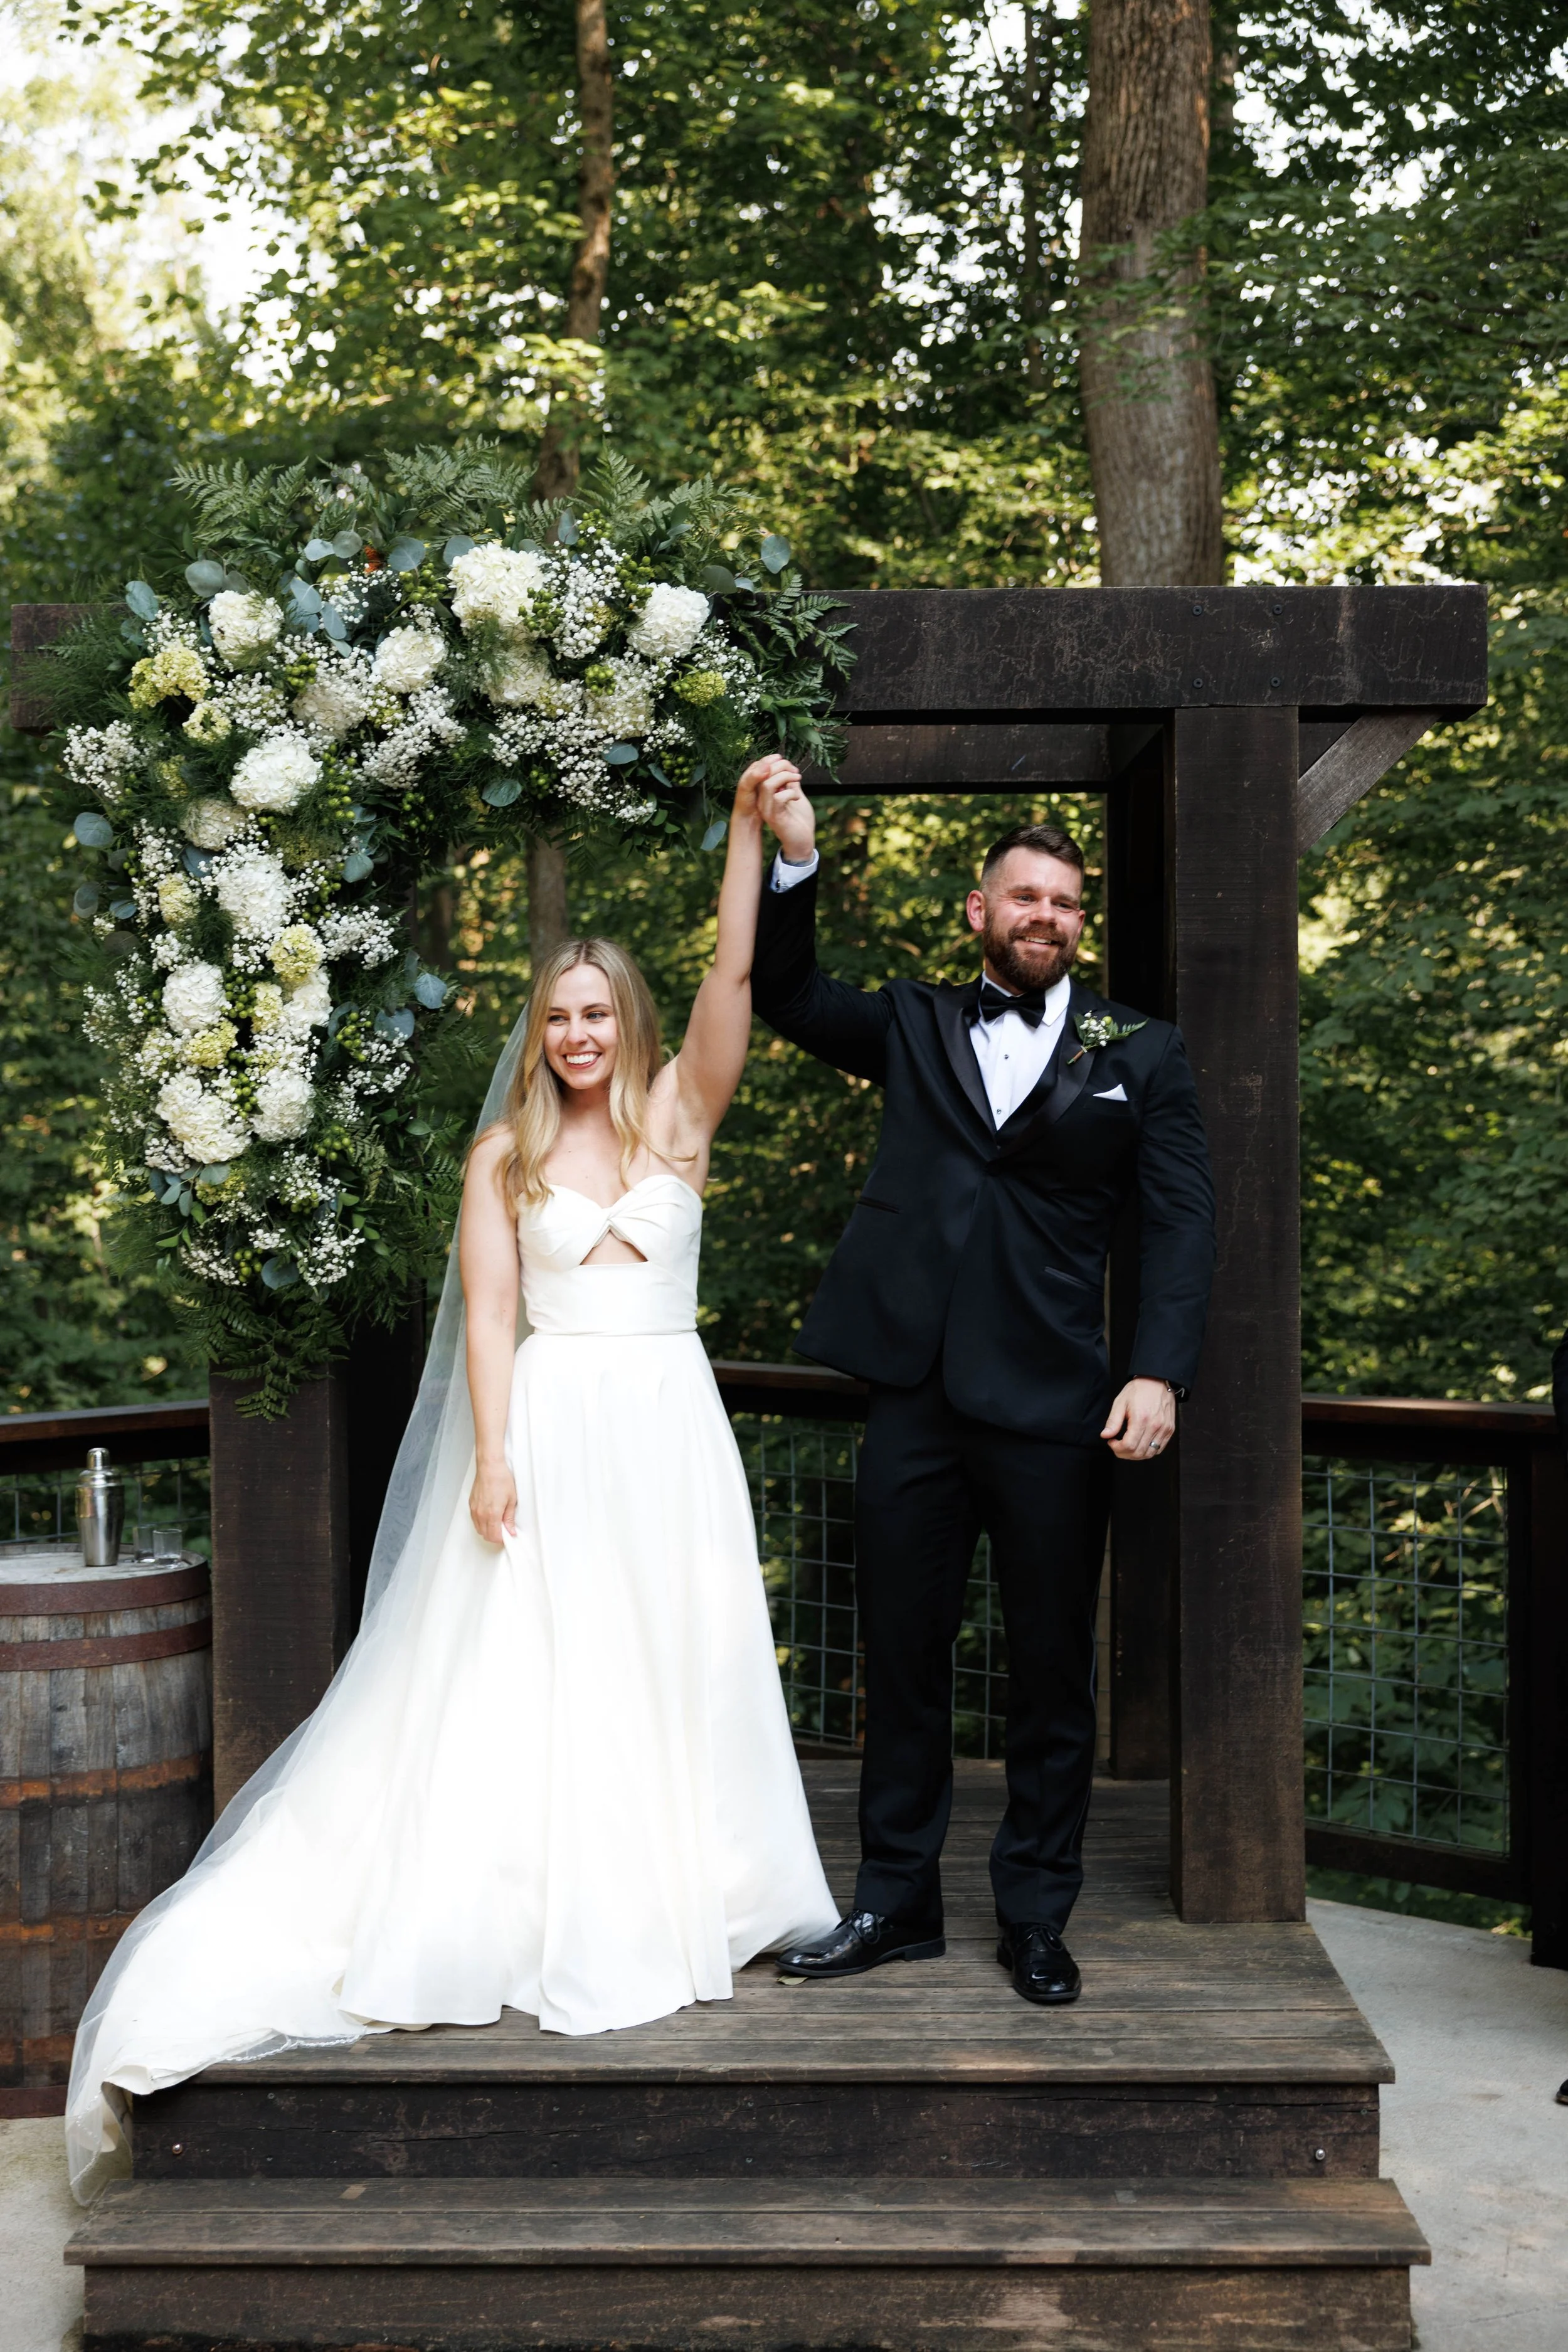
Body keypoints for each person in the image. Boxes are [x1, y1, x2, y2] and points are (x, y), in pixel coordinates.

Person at [65, 756, 837, 2201]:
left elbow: (738, 973)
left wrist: (746, 839)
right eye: (558, 1016)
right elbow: (490, 1317)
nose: (579, 1034)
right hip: (549, 1430)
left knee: (673, 1657)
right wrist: (489, 1455)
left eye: (599, 1012)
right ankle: (535, 1902)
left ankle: (694, 1890)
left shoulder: (681, 1121)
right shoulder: (505, 1158)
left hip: (666, 1430)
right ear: (537, 1036)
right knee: (538, 1672)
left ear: (630, 1025)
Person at [750, 776, 1216, 2008]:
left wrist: (1157, 1369)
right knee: (900, 1661)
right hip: (910, 1394)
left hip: (1059, 1409)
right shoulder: (908, 1021)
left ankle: (1033, 1918)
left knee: (1050, 1672)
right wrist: (791, 860)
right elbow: (786, 993)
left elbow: (1180, 1224)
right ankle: (893, 1904)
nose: (1045, 914)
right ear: (977, 911)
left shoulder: (1141, 1051)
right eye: (1024, 894)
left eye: (1065, 903)